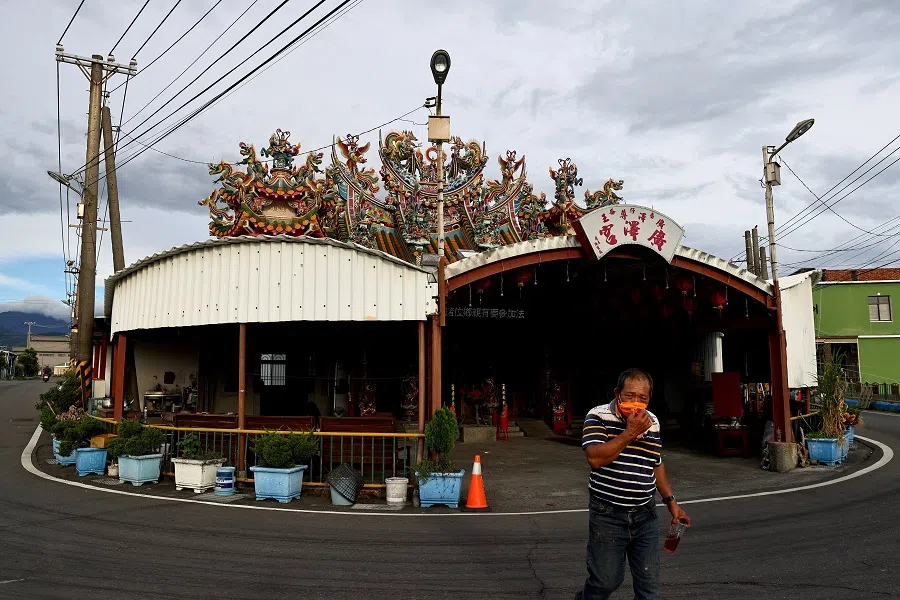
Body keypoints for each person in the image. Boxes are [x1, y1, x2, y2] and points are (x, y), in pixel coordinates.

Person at [576, 368, 691, 600]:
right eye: (630, 396)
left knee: (649, 588)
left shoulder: (653, 422)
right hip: (608, 514)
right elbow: (595, 459)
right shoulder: (598, 416)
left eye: (643, 398)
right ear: (617, 393)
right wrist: (630, 433)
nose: (636, 403)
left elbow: (655, 463)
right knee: (606, 581)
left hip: (645, 514)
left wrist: (672, 503)